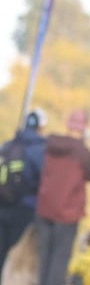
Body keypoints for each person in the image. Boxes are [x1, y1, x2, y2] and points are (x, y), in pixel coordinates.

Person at [35, 109, 90, 285]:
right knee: (59, 257)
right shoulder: (81, 150)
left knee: (42, 255)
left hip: (44, 207)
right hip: (68, 211)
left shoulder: (50, 144)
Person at [0, 110, 47, 276]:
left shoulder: (8, 145)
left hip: (3, 203)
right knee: (15, 256)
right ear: (41, 127)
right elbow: (45, 178)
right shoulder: (40, 150)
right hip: (25, 208)